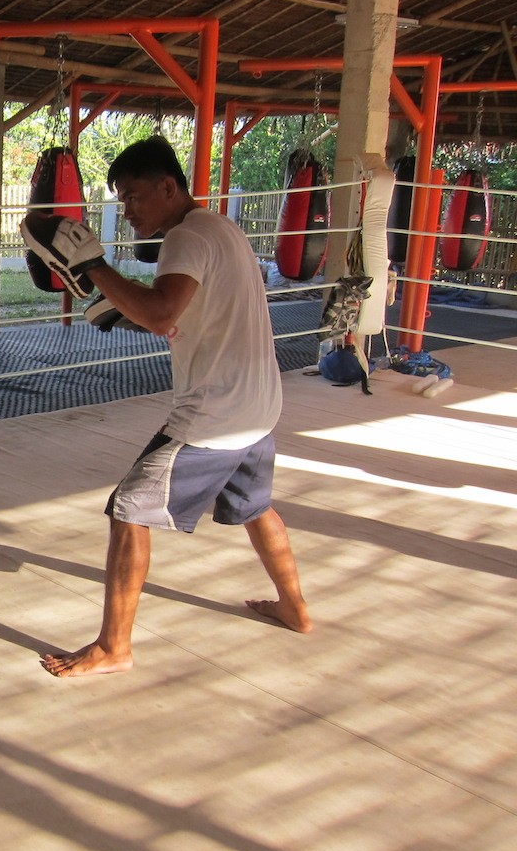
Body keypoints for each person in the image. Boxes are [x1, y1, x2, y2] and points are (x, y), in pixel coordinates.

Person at [21, 135, 310, 678]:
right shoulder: (220, 229)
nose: (125, 210)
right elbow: (183, 318)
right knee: (254, 508)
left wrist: (95, 267)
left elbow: (161, 313)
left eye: (132, 196)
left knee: (129, 510)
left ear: (168, 187)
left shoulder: (184, 239)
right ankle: (295, 607)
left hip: (214, 415)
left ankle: (114, 647)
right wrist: (122, 307)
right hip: (258, 405)